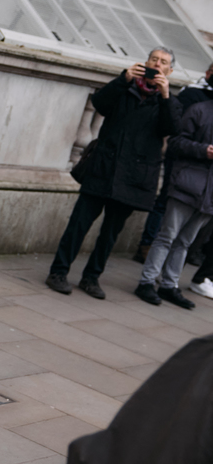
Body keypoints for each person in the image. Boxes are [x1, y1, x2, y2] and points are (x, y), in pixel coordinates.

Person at [46, 47, 181, 300]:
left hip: (133, 177)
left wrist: (165, 95)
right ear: (145, 62)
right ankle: (58, 272)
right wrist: (123, 79)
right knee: (78, 225)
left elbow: (172, 128)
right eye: (154, 59)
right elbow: (99, 104)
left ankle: (91, 278)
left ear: (169, 71)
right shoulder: (126, 86)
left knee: (110, 234)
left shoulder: (168, 101)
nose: (157, 65)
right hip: (103, 168)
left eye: (163, 62)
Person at [134, 98, 213, 309]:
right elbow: (176, 142)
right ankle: (146, 282)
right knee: (166, 236)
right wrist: (204, 150)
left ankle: (169, 285)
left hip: (209, 196)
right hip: (187, 186)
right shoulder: (199, 110)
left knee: (185, 242)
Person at [133, 60, 213, 263]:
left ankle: (169, 262)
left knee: (184, 234)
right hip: (181, 162)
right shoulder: (193, 95)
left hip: (203, 174)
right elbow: (176, 131)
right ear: (208, 72)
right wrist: (203, 150)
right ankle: (147, 246)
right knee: (164, 205)